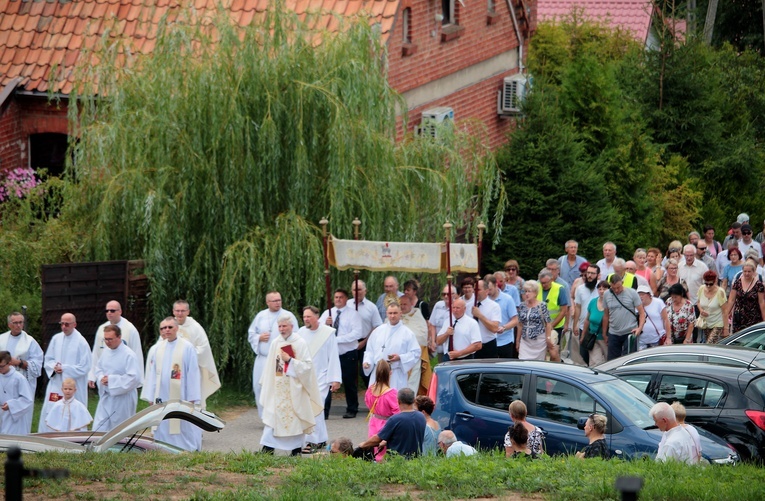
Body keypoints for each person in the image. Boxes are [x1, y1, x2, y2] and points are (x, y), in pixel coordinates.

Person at [258, 315, 322, 455]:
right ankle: (267, 449)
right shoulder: (276, 342)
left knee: (295, 420)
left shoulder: (300, 342)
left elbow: (307, 367)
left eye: (284, 326)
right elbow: (271, 366)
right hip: (278, 386)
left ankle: (296, 450)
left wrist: (291, 361)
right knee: (272, 418)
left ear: (292, 327)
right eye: (279, 326)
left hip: (295, 388)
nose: (282, 329)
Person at [141, 318, 202, 451]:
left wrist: (192, 397)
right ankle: (164, 448)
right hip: (162, 396)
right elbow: (152, 375)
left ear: (177, 329)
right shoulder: (157, 348)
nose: (166, 330)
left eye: (169, 327)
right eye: (163, 328)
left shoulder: (187, 347)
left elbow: (193, 372)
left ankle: (187, 448)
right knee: (163, 422)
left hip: (182, 396)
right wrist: (151, 397)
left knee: (181, 423)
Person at [248, 291, 299, 419]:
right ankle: (264, 416)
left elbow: (296, 336)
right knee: (259, 387)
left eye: (279, 300)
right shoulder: (261, 316)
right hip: (263, 358)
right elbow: (251, 334)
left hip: (280, 359)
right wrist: (259, 337)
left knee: (278, 387)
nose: (278, 303)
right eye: (274, 301)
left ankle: (279, 416)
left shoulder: (288, 315)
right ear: (267, 302)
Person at [297, 306, 340, 453]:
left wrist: (335, 379)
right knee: (310, 409)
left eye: (309, 316)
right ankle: (319, 440)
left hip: (321, 376)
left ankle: (313, 441)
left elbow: (333, 355)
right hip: (304, 376)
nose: (306, 319)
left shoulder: (327, 333)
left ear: (317, 316)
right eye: (304, 317)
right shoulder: (301, 333)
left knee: (315, 408)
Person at [38, 313, 91, 432]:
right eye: (61, 324)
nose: (64, 327)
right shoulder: (56, 339)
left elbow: (85, 366)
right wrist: (54, 367)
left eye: (67, 324)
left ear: (74, 324)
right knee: (52, 409)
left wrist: (65, 369)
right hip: (56, 384)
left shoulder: (81, 342)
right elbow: (48, 359)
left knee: (73, 411)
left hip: (73, 385)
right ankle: (49, 437)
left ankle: (73, 439)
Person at [319, 289, 362, 419]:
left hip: (347, 353)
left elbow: (357, 333)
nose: (338, 299)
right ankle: (324, 410)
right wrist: (325, 324)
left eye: (341, 297)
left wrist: (337, 339)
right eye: (336, 297)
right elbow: (318, 329)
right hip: (331, 355)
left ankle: (352, 408)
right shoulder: (327, 313)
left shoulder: (353, 314)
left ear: (346, 299)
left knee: (349, 382)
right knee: (328, 382)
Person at [93, 324, 143, 432]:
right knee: (99, 426)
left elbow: (134, 378)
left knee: (120, 429)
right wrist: (101, 378)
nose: (107, 342)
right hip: (106, 397)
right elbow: (98, 368)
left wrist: (111, 380)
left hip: (123, 399)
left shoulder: (129, 354)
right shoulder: (106, 351)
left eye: (110, 339)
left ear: (119, 337)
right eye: (105, 339)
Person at [0, 312, 43, 434]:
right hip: (3, 380)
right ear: (9, 324)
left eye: (21, 322)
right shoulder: (1, 339)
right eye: (15, 323)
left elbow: (37, 364)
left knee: (21, 412)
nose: (19, 325)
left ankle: (22, 439)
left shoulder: (30, 341)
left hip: (22, 381)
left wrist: (18, 362)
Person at [173, 300, 221, 409]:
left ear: (188, 312)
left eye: (182, 311)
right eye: (177, 311)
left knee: (192, 401)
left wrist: (186, 356)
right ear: (173, 311)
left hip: (191, 370)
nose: (180, 313)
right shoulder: (169, 326)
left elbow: (203, 348)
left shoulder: (196, 327)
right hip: (174, 369)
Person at [363, 303, 420, 391]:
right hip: (378, 373)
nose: (392, 316)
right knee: (377, 400)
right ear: (386, 313)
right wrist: (367, 362)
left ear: (400, 313)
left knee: (395, 401)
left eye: (395, 313)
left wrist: (400, 358)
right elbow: (370, 350)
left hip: (395, 373)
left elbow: (415, 353)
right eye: (390, 313)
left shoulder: (407, 333)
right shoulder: (378, 331)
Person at [88, 301, 143, 390]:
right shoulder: (102, 329)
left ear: (120, 311)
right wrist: (92, 375)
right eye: (107, 311)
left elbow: (137, 352)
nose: (109, 313)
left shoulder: (130, 329)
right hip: (105, 374)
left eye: (112, 310)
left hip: (123, 374)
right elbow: (96, 353)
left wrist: (138, 380)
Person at [358, 388, 426, 459]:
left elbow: (378, 439)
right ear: (414, 400)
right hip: (416, 460)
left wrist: (364, 444)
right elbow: (407, 436)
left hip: (397, 461)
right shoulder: (421, 416)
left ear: (398, 401)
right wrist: (386, 442)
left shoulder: (395, 419)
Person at [602, 274, 645, 360]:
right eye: (613, 288)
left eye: (618, 287)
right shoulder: (606, 294)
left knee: (628, 359)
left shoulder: (632, 293)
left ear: (622, 283)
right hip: (613, 332)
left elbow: (642, 313)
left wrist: (639, 328)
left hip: (629, 331)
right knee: (612, 360)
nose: (616, 290)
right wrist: (604, 333)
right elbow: (606, 315)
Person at [350, 280, 383, 388]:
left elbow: (377, 326)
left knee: (365, 372)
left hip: (365, 343)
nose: (357, 292)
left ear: (365, 291)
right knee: (350, 374)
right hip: (349, 343)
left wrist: (365, 342)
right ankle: (352, 404)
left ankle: (371, 394)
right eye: (355, 289)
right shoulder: (347, 305)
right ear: (351, 291)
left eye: (359, 289)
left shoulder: (371, 307)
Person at [364, 360, 399, 461]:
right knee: (384, 452)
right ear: (390, 373)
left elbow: (368, 403)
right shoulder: (392, 393)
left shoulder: (370, 390)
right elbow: (397, 413)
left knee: (374, 447)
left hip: (374, 421)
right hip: (387, 424)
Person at [398, 295, 430, 395]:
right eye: (401, 304)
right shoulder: (394, 316)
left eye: (405, 304)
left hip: (413, 356)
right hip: (398, 357)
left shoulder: (417, 315)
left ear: (411, 304)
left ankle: (410, 403)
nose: (403, 307)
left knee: (412, 382)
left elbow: (422, 336)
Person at [517, 280, 553, 361]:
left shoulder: (542, 305)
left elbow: (548, 323)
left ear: (535, 293)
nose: (526, 294)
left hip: (539, 341)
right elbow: (520, 324)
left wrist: (548, 338)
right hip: (525, 340)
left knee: (537, 364)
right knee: (523, 361)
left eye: (529, 291)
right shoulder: (522, 305)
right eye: (525, 291)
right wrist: (518, 340)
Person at [0, 350, 34, 434]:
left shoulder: (19, 378)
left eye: (1, 366)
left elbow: (28, 400)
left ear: (9, 363)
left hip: (14, 416)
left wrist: (11, 405)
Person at [727, 260, 765, 332]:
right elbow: (731, 299)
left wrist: (764, 319)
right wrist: (727, 313)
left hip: (754, 317)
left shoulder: (759, 285)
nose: (747, 273)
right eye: (745, 271)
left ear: (753, 272)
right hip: (739, 317)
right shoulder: (737, 283)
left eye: (749, 271)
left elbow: (761, 302)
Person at [488, 273, 519, 359]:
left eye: (490, 289)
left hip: (505, 341)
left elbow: (515, 320)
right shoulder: (485, 299)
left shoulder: (508, 299)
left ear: (496, 285)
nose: (488, 292)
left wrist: (504, 327)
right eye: (486, 289)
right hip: (489, 341)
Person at [573, 264, 600, 365]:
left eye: (592, 273)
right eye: (588, 273)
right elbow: (578, 307)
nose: (589, 275)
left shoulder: (602, 289)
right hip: (582, 327)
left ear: (598, 275)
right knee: (583, 356)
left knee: (596, 358)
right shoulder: (580, 289)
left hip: (597, 328)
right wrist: (575, 324)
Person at [582, 281, 610, 365]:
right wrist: (583, 335)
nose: (601, 291)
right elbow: (587, 320)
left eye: (604, 289)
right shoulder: (593, 302)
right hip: (593, 337)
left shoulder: (611, 303)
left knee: (608, 361)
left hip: (606, 339)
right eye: (599, 289)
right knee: (595, 363)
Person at [697, 270, 729, 344]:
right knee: (712, 346)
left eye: (710, 284)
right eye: (706, 283)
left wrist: (726, 328)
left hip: (718, 323)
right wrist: (701, 310)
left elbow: (725, 311)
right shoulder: (701, 289)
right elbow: (698, 302)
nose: (708, 286)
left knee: (710, 343)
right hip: (706, 323)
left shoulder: (720, 292)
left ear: (715, 281)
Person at [473, 278, 502, 359]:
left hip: (487, 346)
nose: (475, 291)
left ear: (486, 291)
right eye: (474, 289)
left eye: (478, 289)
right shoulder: (469, 305)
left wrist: (480, 316)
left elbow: (494, 328)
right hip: (471, 346)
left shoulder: (494, 306)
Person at [429, 284, 458, 362]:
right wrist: (432, 341)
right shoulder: (438, 305)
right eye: (443, 294)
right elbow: (432, 324)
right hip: (440, 344)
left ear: (454, 295)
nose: (445, 296)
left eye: (448, 294)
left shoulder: (457, 308)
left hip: (453, 346)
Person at [638, 285, 670, 350]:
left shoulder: (658, 303)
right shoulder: (636, 305)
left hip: (657, 339)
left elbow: (666, 320)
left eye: (642, 294)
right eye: (639, 294)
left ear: (649, 294)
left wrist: (668, 337)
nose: (640, 296)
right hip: (641, 341)